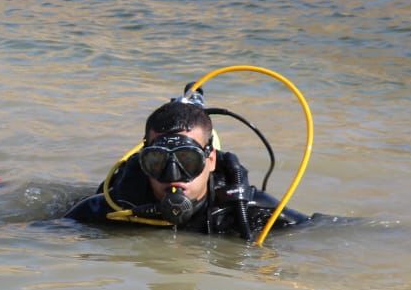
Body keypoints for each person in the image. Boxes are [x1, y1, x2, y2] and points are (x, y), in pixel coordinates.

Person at [65, 99, 315, 237]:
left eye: (188, 161)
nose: (173, 178)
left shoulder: (248, 212)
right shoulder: (111, 207)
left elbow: (327, 231)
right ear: (144, 163)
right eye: (158, 162)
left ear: (211, 160)